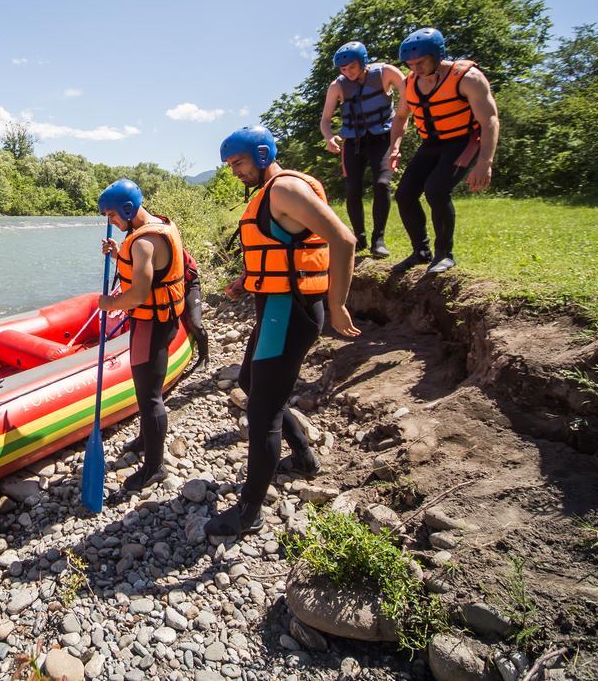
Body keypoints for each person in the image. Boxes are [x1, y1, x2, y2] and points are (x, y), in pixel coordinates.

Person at [208, 126, 360, 537]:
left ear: (260, 154)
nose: (234, 171)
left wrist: (338, 303)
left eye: (237, 162)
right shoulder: (268, 193)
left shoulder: (285, 188)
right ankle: (305, 459)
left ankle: (248, 511)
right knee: (247, 382)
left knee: (262, 413)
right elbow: (281, 247)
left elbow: (344, 240)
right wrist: (246, 279)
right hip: (275, 307)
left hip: (290, 312)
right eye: (229, 165)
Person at [97, 178, 187, 493]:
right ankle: (146, 439)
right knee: (147, 392)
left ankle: (154, 467)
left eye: (111, 215)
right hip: (163, 319)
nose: (110, 221)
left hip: (151, 324)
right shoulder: (158, 226)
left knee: (149, 396)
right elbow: (150, 268)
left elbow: (137, 294)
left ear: (127, 208)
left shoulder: (142, 241)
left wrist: (109, 304)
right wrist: (116, 254)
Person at [389, 28, 501, 275]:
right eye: (410, 64)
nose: (415, 69)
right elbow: (400, 118)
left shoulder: (468, 78)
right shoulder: (410, 83)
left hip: (462, 141)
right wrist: (394, 147)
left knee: (436, 190)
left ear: (437, 54)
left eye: (420, 62)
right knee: (405, 194)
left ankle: (444, 254)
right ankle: (421, 251)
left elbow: (490, 120)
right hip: (431, 144)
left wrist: (485, 162)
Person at [320, 41, 407, 258]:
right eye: (343, 69)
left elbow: (408, 97)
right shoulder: (337, 86)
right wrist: (329, 137)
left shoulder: (386, 73)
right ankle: (359, 238)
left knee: (382, 184)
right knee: (352, 190)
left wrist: (397, 142)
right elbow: (325, 120)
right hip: (353, 142)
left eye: (352, 67)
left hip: (382, 138)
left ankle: (378, 240)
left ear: (363, 61)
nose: (347, 73)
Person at [180, 248, 210, 372]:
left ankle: (204, 356)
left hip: (190, 286)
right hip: (171, 290)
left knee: (195, 324)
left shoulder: (173, 250)